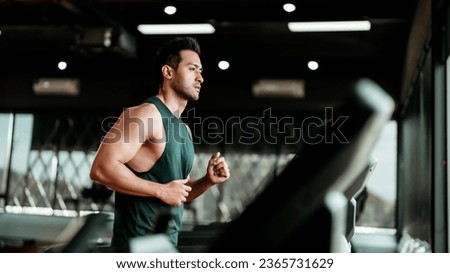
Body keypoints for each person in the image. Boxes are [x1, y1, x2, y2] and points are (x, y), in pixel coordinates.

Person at [89, 36, 230, 250]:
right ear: (168, 72)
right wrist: (160, 191)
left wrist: (206, 181)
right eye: (192, 69)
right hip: (135, 251)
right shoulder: (144, 114)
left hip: (165, 248)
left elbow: (177, 192)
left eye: (201, 71)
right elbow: (101, 168)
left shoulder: (183, 129)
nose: (200, 78)